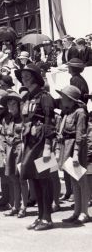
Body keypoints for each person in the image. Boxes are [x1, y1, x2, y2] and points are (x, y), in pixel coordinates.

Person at [15, 64, 56, 231]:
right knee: (33, 179)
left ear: (36, 77)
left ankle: (47, 218)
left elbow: (49, 122)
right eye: (23, 75)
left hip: (41, 143)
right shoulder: (26, 98)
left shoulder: (45, 97)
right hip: (30, 143)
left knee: (44, 179)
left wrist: (48, 146)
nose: (24, 77)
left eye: (28, 75)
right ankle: (39, 216)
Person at [55, 86, 90, 224]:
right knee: (74, 181)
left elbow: (80, 135)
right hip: (66, 147)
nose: (61, 98)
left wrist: (76, 154)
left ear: (70, 99)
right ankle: (76, 211)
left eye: (63, 96)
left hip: (76, 149)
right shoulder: (67, 112)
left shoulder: (80, 112)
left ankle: (84, 212)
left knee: (81, 181)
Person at [1, 91, 29, 218]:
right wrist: (3, 152)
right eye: (9, 104)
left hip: (20, 149)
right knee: (12, 178)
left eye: (13, 104)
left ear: (18, 105)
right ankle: (15, 206)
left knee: (22, 179)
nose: (11, 107)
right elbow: (3, 136)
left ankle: (24, 206)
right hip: (9, 150)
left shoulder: (24, 118)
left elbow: (27, 136)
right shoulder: (6, 119)